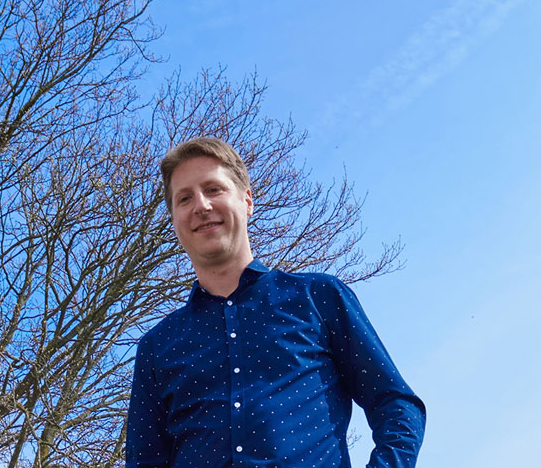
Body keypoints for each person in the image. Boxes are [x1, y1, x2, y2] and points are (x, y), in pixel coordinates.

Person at [125, 137, 424, 468]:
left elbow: (396, 405)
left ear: (247, 200)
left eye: (213, 189)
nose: (201, 205)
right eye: (184, 198)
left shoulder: (318, 298)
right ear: (175, 221)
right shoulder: (156, 348)